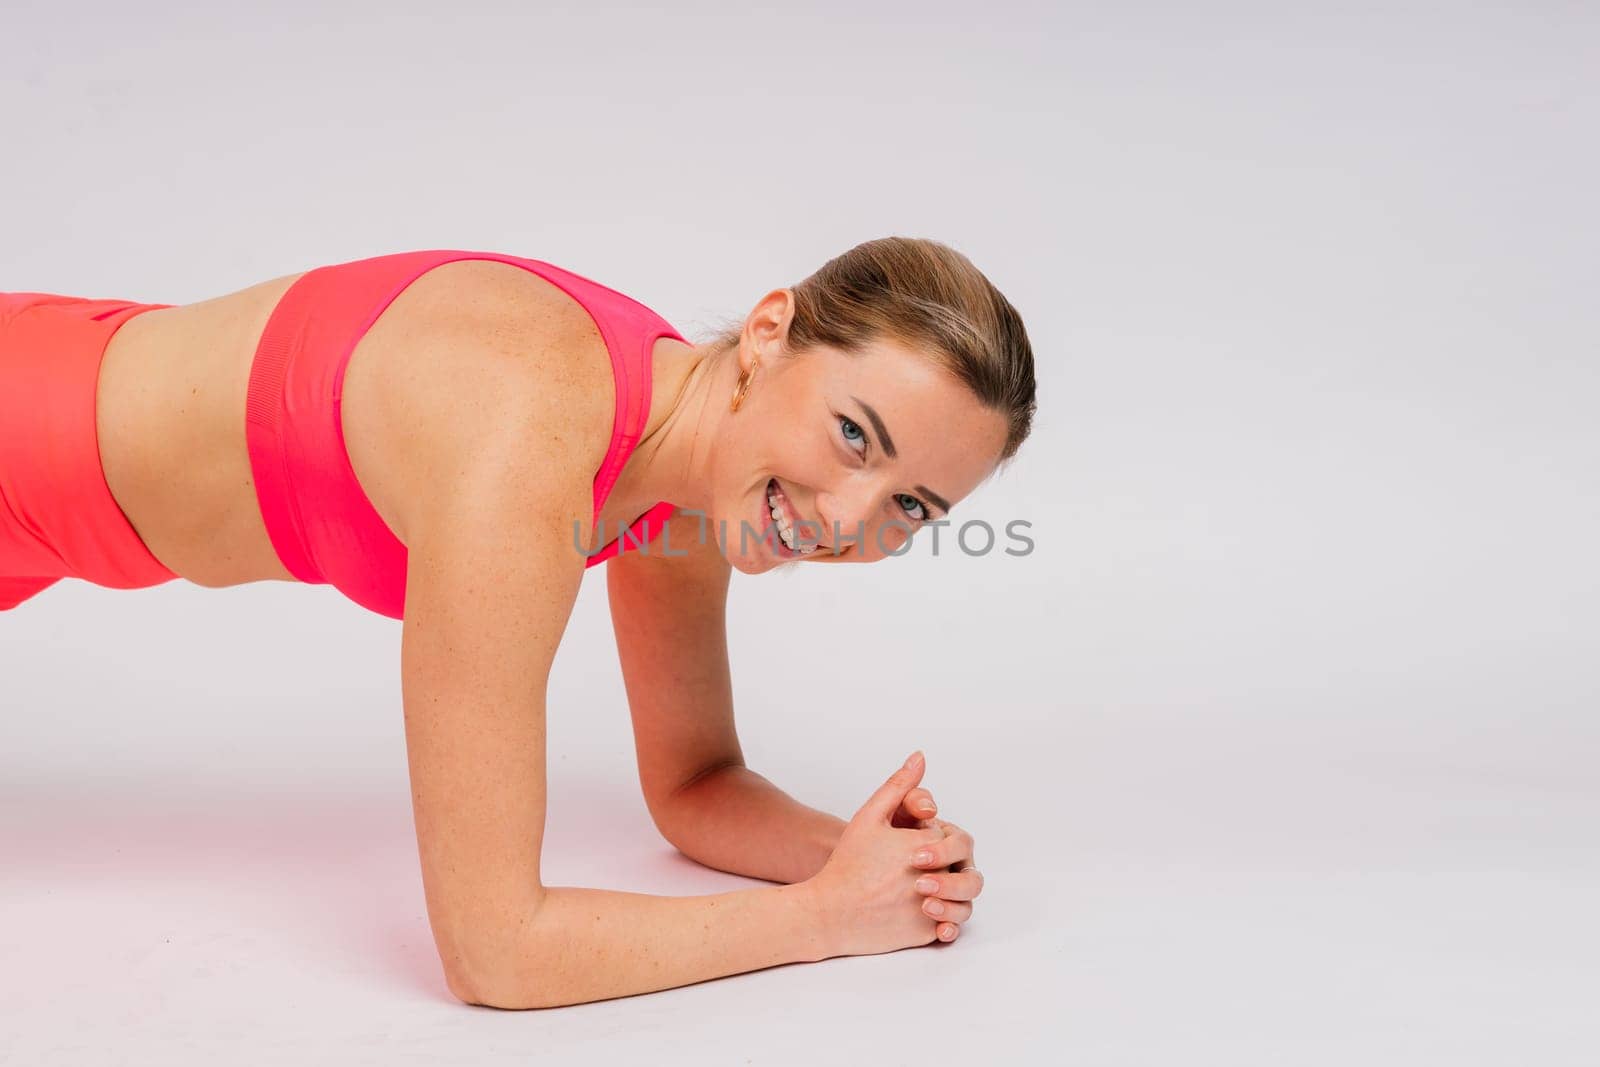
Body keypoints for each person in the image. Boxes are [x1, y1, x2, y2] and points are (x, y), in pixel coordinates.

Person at [0, 237, 1037, 1007]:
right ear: (769, 332)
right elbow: (497, 950)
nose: (848, 520)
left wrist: (860, 859)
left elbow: (694, 789)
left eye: (912, 506)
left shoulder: (682, 471)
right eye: (855, 434)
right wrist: (820, 920)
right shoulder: (527, 444)